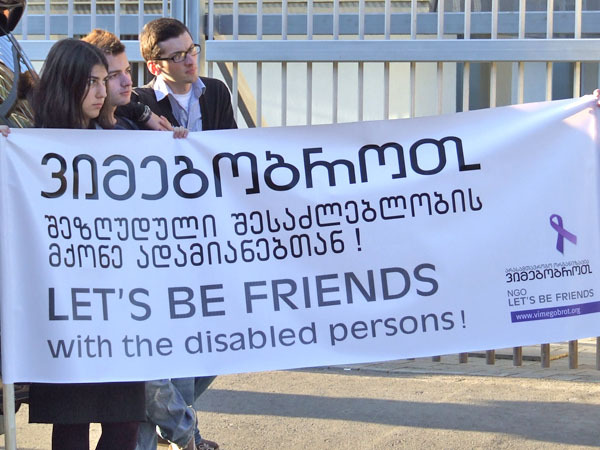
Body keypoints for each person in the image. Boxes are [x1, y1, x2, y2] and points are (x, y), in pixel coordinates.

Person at [20, 38, 146, 450]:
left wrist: (175, 148)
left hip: (120, 308)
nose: (101, 91)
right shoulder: (29, 146)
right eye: (91, 82)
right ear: (66, 83)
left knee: (125, 424)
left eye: (102, 81)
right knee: (72, 425)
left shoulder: (121, 135)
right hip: (66, 312)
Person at [127, 17, 237, 450]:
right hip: (162, 239)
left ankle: (173, 422)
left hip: (210, 233)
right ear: (156, 65)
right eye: (178, 56)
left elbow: (231, 153)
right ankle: (184, 433)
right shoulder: (139, 102)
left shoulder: (216, 92)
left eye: (192, 50)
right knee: (173, 338)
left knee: (215, 337)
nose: (191, 60)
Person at [81, 28, 186, 137]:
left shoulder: (134, 124)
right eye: (114, 75)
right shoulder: (79, 128)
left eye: (127, 71)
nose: (128, 82)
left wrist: (174, 139)